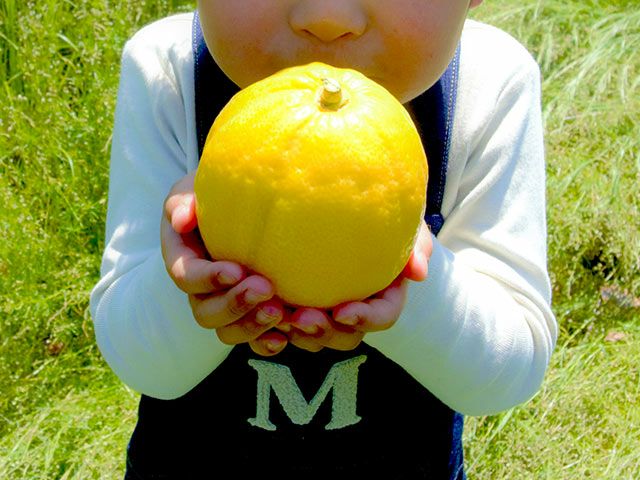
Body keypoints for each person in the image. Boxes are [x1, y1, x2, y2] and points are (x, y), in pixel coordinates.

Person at [90, 1, 557, 478]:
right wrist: (197, 263)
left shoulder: (488, 86)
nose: (327, 17)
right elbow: (136, 358)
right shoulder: (169, 70)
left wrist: (406, 271)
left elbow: (508, 371)